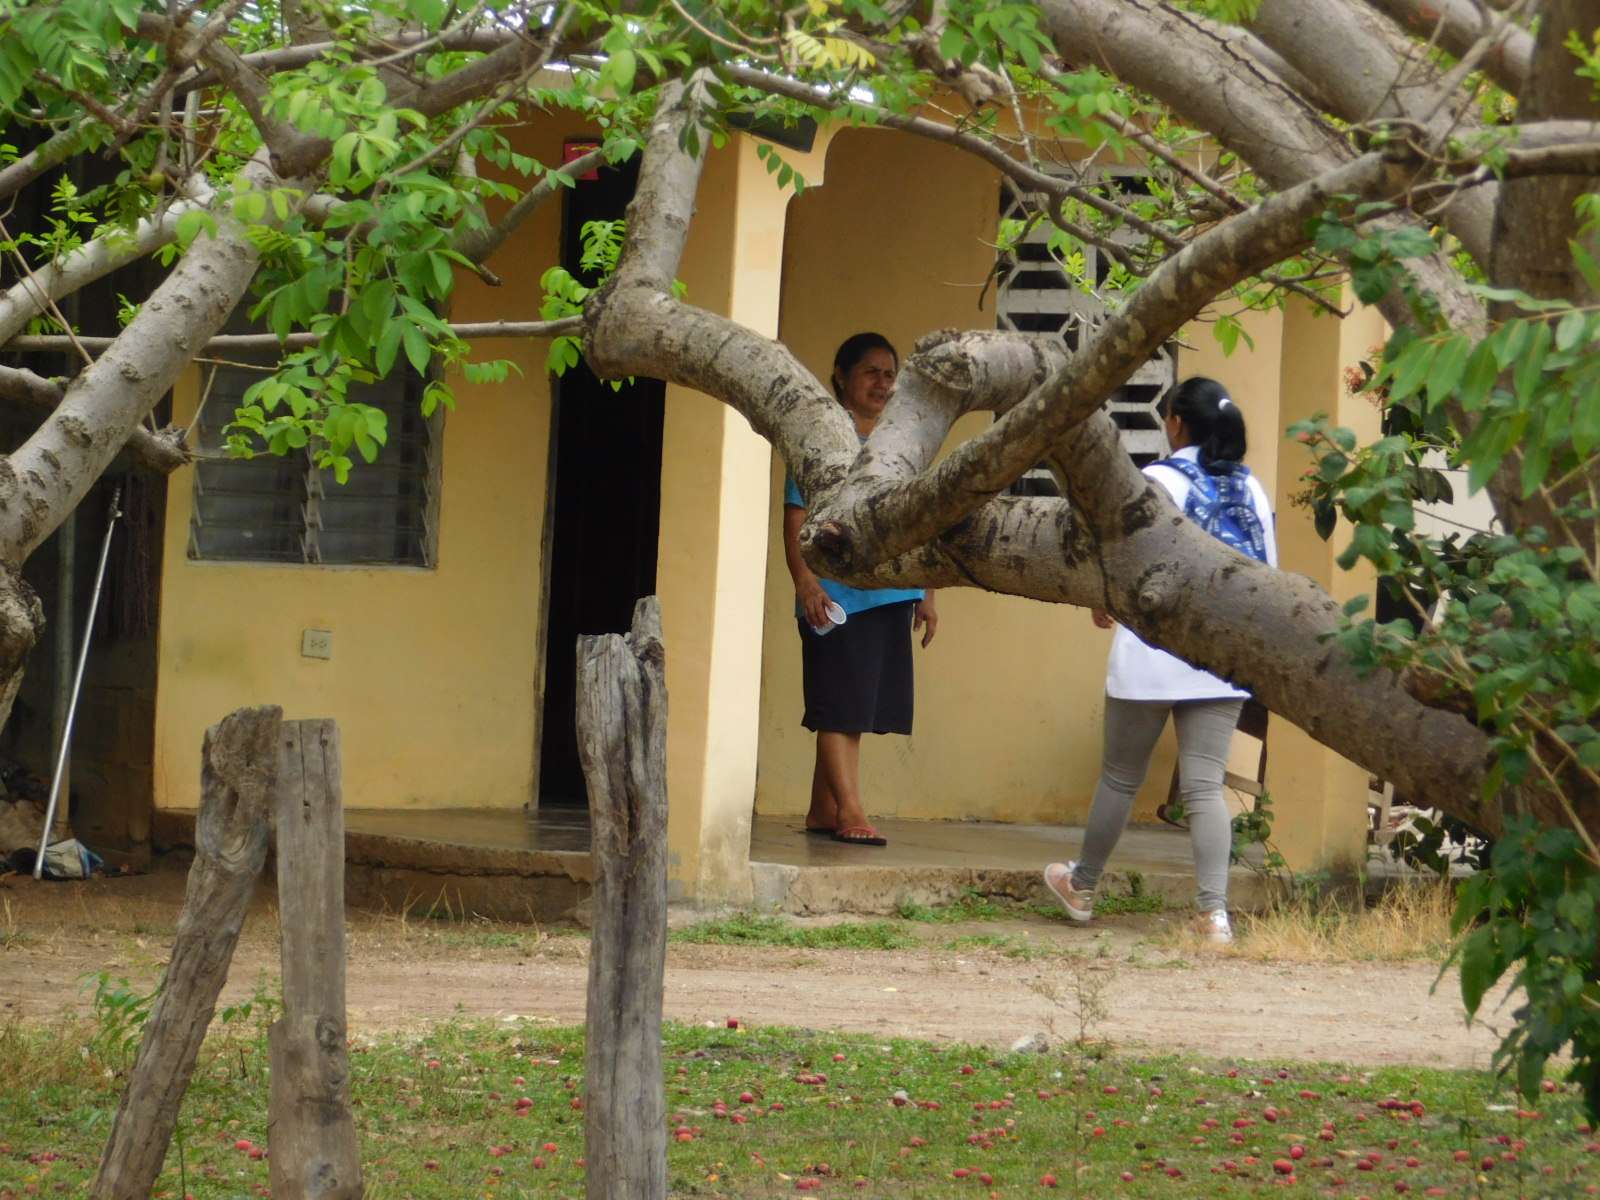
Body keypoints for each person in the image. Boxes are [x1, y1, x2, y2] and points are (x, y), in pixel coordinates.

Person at [1043, 376, 1277, 943]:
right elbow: (1265, 570)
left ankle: (1084, 885)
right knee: (1205, 786)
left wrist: (1105, 603)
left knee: (1121, 777)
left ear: (1174, 421)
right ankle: (1213, 914)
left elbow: (1125, 557)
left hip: (1152, 651)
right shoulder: (1252, 489)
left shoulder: (1156, 480)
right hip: (1221, 656)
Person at [782, 332, 939, 847]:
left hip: (892, 591)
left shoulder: (902, 439)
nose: (882, 382)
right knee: (840, 705)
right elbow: (797, 514)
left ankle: (821, 810)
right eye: (870, 372)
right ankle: (851, 810)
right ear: (843, 377)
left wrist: (927, 592)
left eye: (889, 373)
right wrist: (804, 580)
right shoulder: (824, 434)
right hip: (835, 594)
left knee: (855, 708)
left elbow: (922, 517)